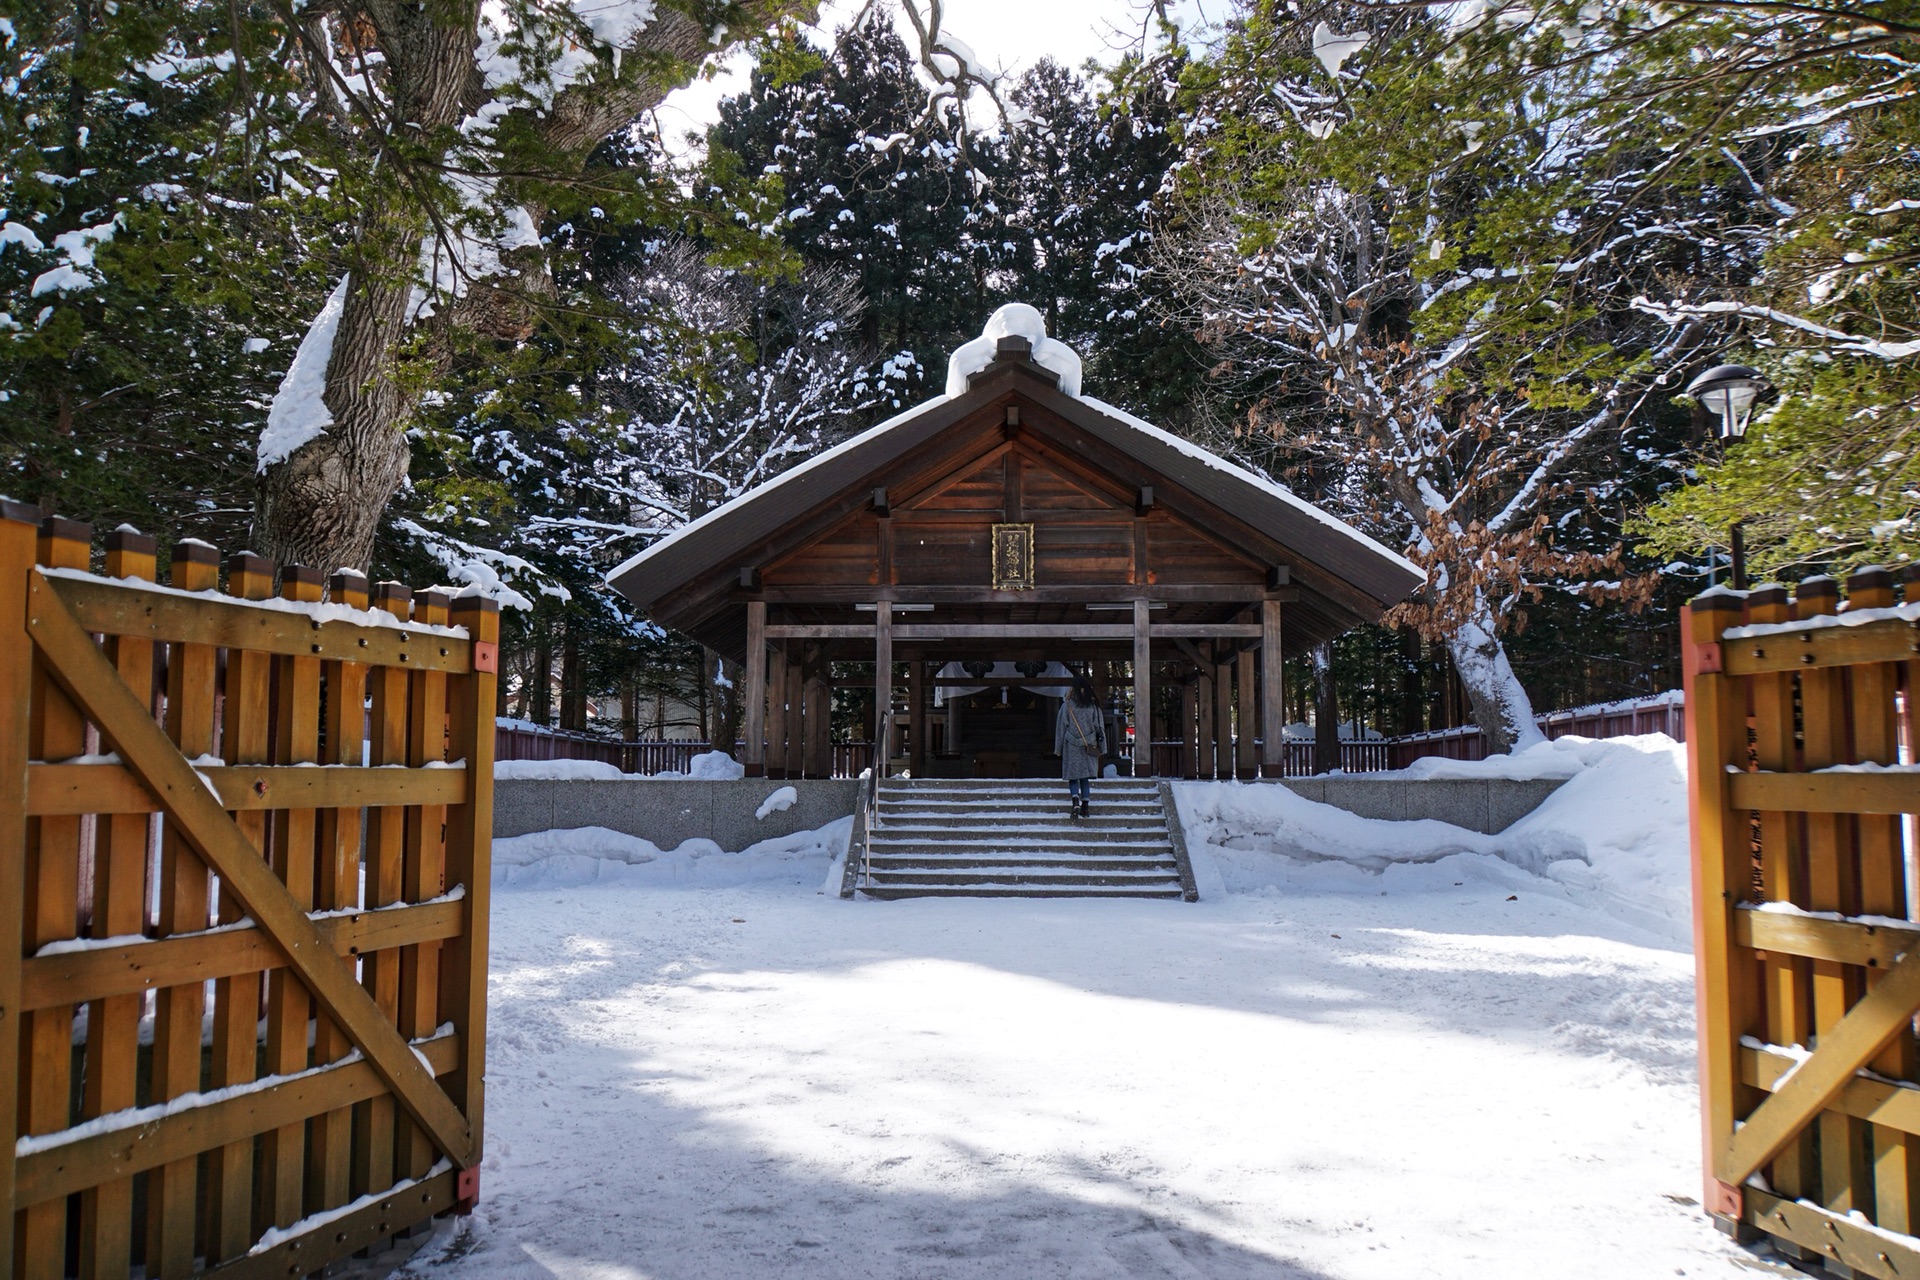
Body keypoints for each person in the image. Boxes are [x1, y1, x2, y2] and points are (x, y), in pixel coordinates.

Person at [1055, 678, 1106, 819]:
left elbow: (1061, 728)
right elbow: (1099, 728)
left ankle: (1075, 802)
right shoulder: (1093, 707)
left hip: (1071, 745)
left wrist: (1058, 749)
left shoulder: (1067, 706)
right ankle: (1086, 807)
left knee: (1073, 777)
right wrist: (1102, 747)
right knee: (1084, 778)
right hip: (1088, 746)